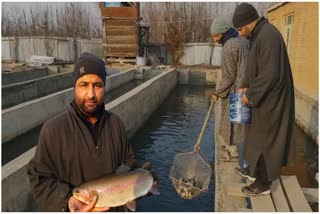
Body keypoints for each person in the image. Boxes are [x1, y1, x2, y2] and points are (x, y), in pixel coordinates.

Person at [27, 52, 136, 211]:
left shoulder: (115, 123)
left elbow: (129, 161)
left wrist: (140, 180)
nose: (91, 94)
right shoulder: (53, 130)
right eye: (83, 85)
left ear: (104, 87)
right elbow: (39, 178)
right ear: (74, 87)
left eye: (97, 85)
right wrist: (67, 200)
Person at [232, 3, 295, 196]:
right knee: (254, 136)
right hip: (262, 97)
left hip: (272, 100)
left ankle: (264, 183)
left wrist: (251, 94)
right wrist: (244, 84)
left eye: (241, 29)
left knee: (267, 140)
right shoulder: (258, 34)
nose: (240, 34)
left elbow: (271, 73)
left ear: (250, 22)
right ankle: (252, 171)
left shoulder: (268, 36)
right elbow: (254, 64)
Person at [210, 16, 249, 148]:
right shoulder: (243, 40)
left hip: (237, 91)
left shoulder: (229, 47)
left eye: (216, 35)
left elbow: (229, 76)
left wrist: (217, 93)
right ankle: (243, 158)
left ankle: (239, 158)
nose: (215, 39)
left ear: (223, 32)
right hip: (247, 90)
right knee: (243, 126)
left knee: (235, 127)